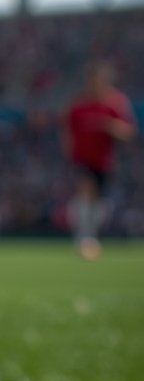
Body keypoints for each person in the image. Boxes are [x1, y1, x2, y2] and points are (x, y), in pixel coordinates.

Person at [62, 61, 136, 260]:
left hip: (104, 161)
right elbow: (67, 131)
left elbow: (129, 131)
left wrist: (112, 126)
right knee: (86, 190)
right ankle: (83, 237)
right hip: (81, 159)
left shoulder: (116, 103)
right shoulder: (78, 105)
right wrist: (68, 152)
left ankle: (90, 235)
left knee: (98, 202)